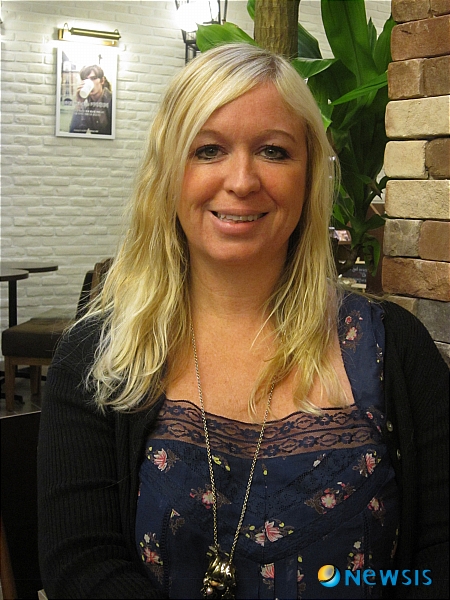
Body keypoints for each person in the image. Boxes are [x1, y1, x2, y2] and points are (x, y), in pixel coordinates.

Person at [38, 44, 448, 599]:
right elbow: (82, 565)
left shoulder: (394, 348)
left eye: (274, 151)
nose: (242, 180)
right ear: (168, 173)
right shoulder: (97, 356)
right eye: (208, 150)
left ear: (309, 175)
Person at [69, 64, 112, 135]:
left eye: (93, 78)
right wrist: (79, 104)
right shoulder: (86, 104)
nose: (89, 82)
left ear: (102, 81)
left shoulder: (111, 101)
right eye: (85, 79)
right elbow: (75, 133)